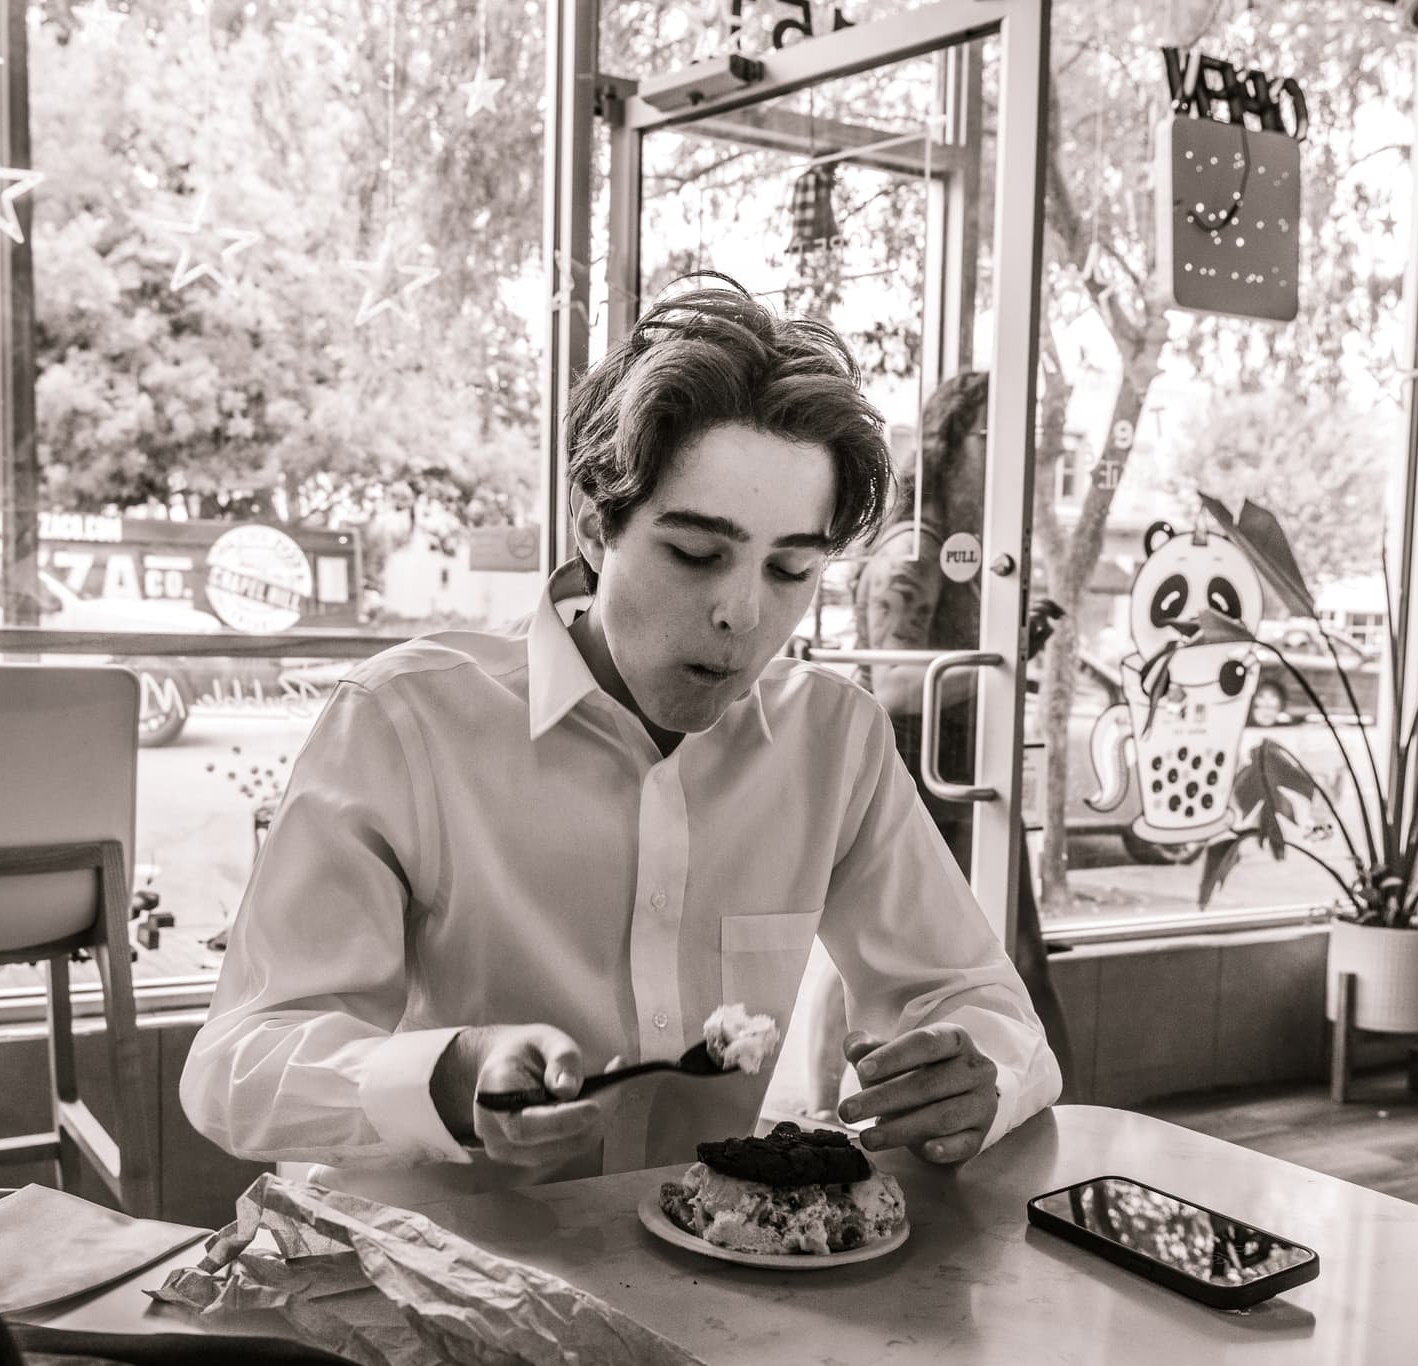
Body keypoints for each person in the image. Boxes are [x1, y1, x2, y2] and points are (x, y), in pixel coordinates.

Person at [179, 281, 1060, 1204]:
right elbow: (238, 1062)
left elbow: (985, 1007)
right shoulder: (406, 722)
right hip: (426, 1271)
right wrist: (445, 1074)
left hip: (702, 1283)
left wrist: (976, 1076)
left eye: (791, 568)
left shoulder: (832, 739)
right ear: (595, 525)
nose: (743, 613)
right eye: (695, 554)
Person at [795, 369, 1077, 1119]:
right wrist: (1001, 661)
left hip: (958, 770)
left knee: (901, 963)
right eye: (1000, 438)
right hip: (929, 773)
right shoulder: (916, 547)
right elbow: (891, 687)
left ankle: (829, 1107)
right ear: (954, 443)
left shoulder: (959, 541)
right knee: (921, 963)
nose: (1023, 458)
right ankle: (828, 1110)